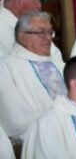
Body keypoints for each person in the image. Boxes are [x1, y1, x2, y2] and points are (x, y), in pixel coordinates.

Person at [0, 11, 66, 139]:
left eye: (49, 32)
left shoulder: (58, 63)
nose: (48, 38)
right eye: (41, 32)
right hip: (38, 137)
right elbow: (14, 119)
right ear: (22, 36)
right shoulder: (5, 68)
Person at [0, 0, 63, 64]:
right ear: (19, 2)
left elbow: (56, 58)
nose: (39, 5)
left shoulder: (35, 24)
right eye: (35, 0)